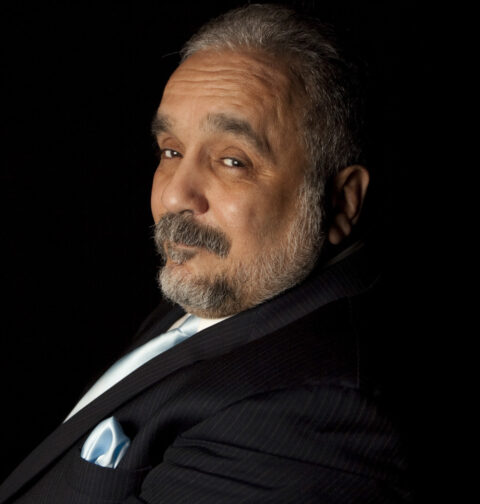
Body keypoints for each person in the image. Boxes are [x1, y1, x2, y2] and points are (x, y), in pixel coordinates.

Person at [0, 4, 412, 503]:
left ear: (341, 201)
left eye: (232, 161)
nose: (175, 195)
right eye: (171, 151)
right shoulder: (233, 279)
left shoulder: (310, 419)